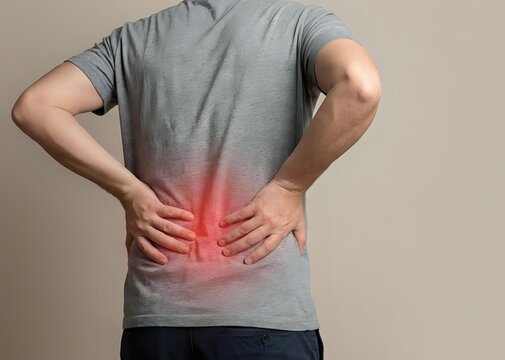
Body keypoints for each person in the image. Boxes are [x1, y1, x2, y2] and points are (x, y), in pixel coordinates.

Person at [10, 0, 381, 358]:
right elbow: (360, 86)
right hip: (264, 318)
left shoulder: (132, 40)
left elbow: (35, 107)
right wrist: (289, 186)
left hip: (155, 324)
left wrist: (129, 192)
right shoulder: (300, 24)